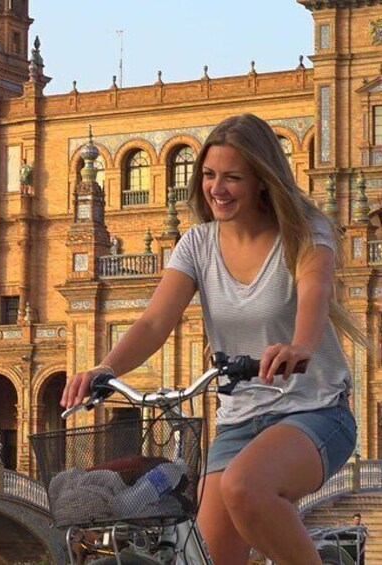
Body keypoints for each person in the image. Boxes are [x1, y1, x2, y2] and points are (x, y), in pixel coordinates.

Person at [61, 113, 364, 565]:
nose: (216, 188)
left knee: (247, 487)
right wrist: (105, 369)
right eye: (208, 175)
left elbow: (314, 292)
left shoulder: (305, 230)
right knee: (209, 554)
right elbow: (152, 323)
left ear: (262, 180)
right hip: (238, 423)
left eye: (232, 178)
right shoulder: (197, 245)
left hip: (315, 412)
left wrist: (300, 344)